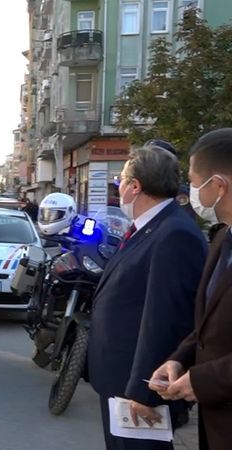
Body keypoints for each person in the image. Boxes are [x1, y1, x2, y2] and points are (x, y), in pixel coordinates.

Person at [88, 144, 207, 450]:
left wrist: (144, 390)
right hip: (119, 378)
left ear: (135, 186)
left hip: (138, 386)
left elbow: (165, 318)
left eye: (121, 183)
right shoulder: (148, 227)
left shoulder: (174, 234)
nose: (119, 190)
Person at [148, 128, 232, 450]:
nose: (191, 192)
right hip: (217, 425)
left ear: (219, 186)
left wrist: (201, 380)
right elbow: (208, 322)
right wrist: (180, 359)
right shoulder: (222, 238)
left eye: (196, 184)